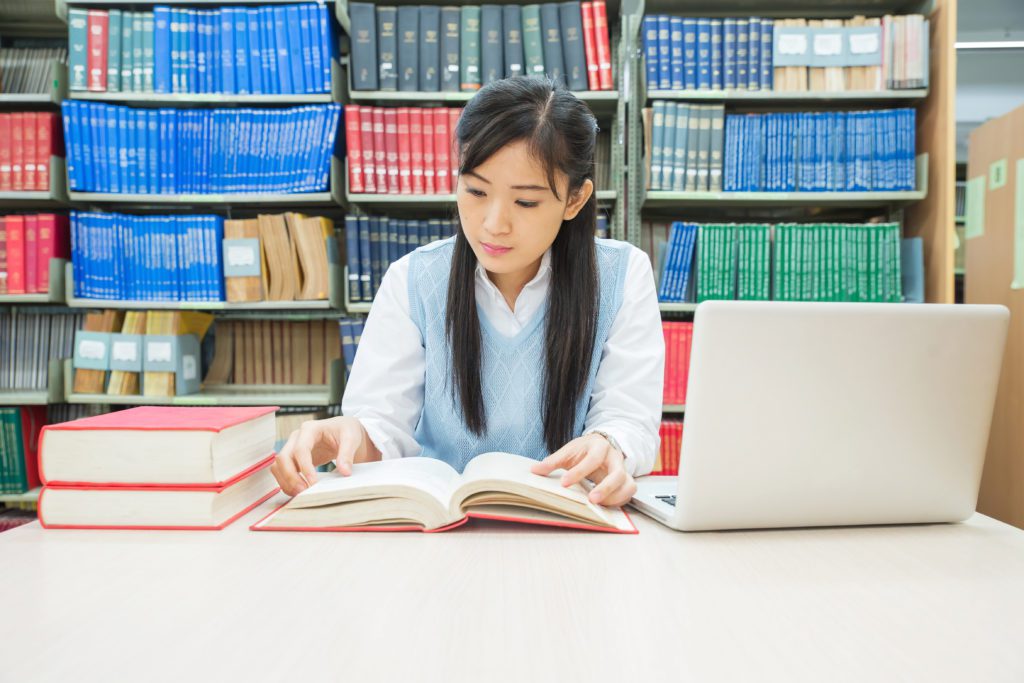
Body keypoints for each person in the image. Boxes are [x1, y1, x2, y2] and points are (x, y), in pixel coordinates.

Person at [271, 77, 664, 508]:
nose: (493, 223)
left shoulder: (621, 275)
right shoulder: (413, 279)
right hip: (440, 527)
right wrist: (349, 434)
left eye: (526, 202)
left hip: (567, 524)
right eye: (475, 191)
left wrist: (610, 443)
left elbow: (628, 420)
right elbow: (382, 426)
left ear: (575, 200)